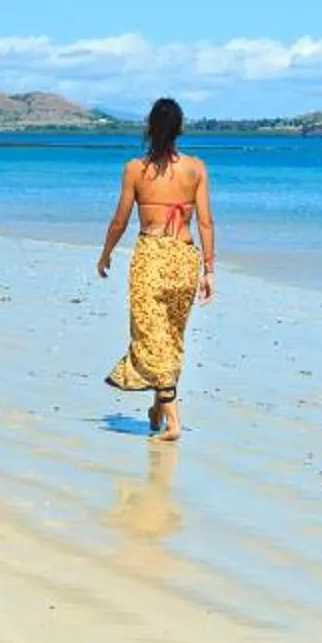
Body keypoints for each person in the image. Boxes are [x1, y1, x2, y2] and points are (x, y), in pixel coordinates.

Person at [97, 97, 215, 441]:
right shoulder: (196, 168)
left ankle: (174, 424)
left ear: (150, 128)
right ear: (179, 128)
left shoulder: (136, 169)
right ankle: (158, 408)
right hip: (184, 257)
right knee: (171, 336)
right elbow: (206, 223)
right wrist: (209, 270)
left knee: (152, 335)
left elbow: (120, 219)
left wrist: (105, 254)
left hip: (151, 256)